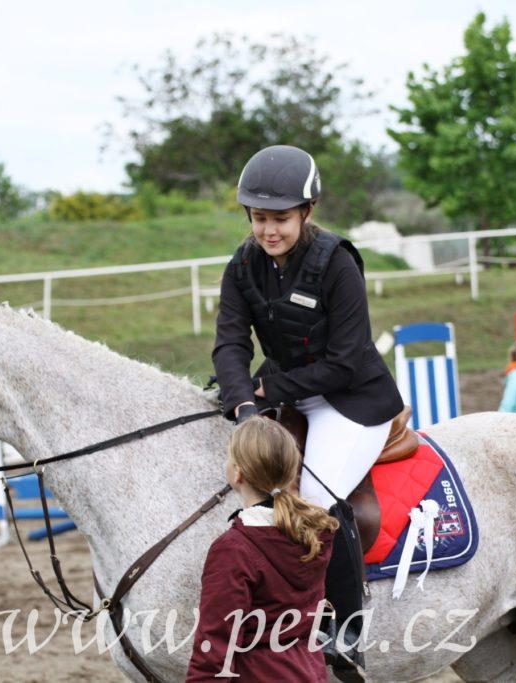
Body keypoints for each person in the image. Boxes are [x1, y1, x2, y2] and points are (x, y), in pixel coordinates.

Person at [212, 144, 404, 679]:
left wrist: (268, 388)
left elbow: (344, 362)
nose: (268, 230)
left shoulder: (337, 262)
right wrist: (243, 405)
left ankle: (346, 637)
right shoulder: (242, 264)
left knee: (315, 498)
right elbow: (230, 343)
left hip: (352, 398)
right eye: (258, 218)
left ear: (306, 211)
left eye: (280, 219)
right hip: (283, 394)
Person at [187, 418, 338, 682]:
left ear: (237, 473)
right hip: (309, 672)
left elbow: (215, 647)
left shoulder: (232, 549)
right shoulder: (315, 532)